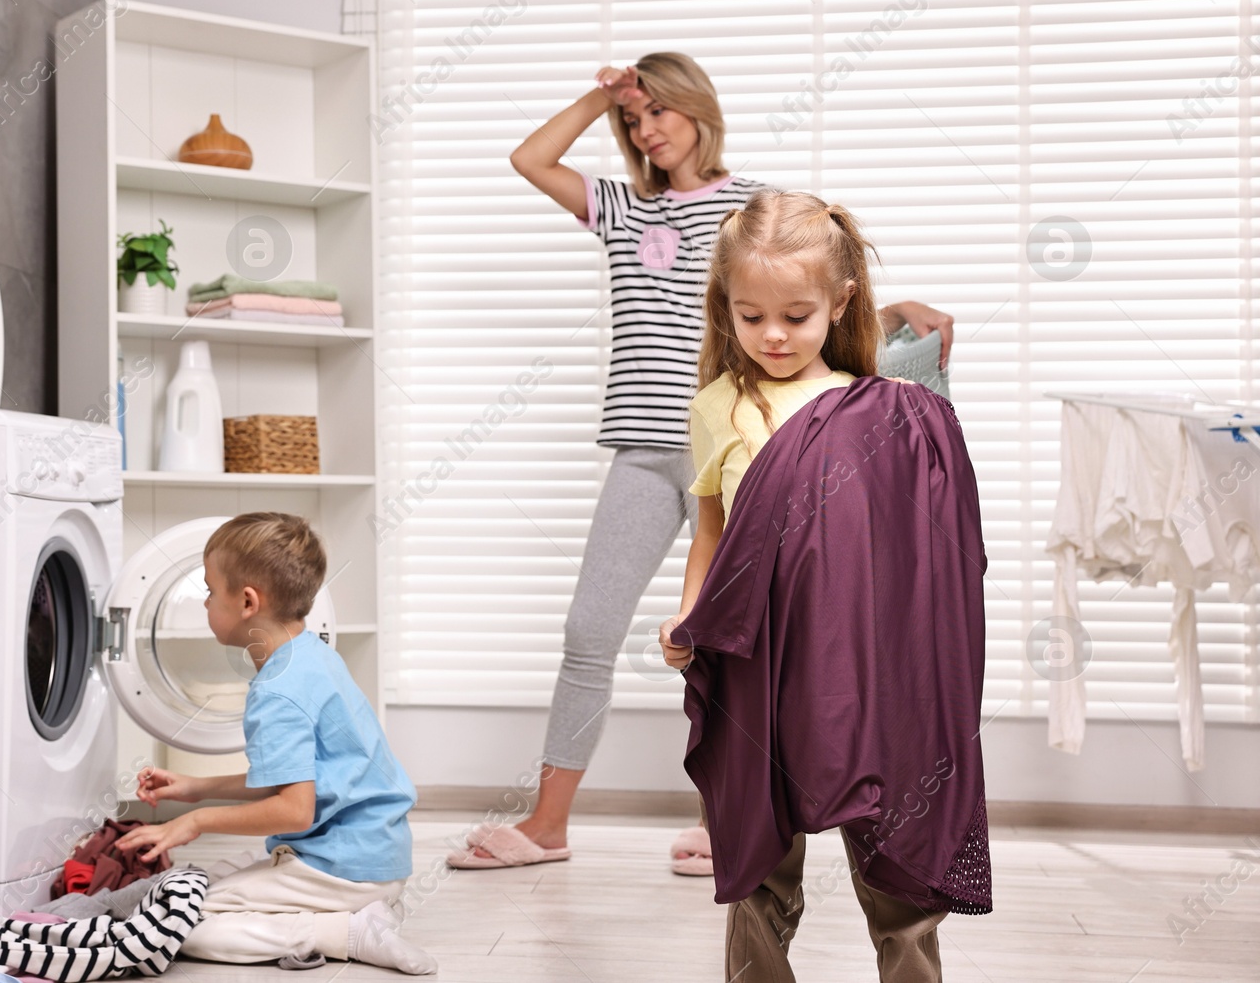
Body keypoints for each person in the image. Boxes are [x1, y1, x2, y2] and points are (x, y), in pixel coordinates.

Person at [447, 51, 955, 873]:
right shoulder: (620, 206)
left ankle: (733, 819)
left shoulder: (746, 206)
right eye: (635, 120)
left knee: (737, 640)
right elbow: (530, 160)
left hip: (741, 440)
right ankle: (547, 824)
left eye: (660, 112)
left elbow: (810, 276)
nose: (648, 130)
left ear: (696, 108)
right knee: (589, 631)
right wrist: (598, 95)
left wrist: (891, 309)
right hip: (647, 447)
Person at [660, 189, 975, 980]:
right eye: (751, 314)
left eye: (796, 316)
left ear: (837, 304)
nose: (773, 335)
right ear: (724, 306)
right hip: (756, 661)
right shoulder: (716, 407)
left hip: (865, 670)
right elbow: (711, 533)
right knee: (758, 856)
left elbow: (919, 549)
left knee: (896, 848)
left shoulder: (880, 409)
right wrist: (687, 614)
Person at [117, 512, 436, 975]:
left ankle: (346, 932)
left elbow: (293, 810)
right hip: (374, 854)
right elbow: (294, 779)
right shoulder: (312, 657)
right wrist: (194, 787)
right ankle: (361, 913)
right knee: (203, 885)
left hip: (341, 868)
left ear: (247, 602)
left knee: (177, 921)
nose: (206, 602)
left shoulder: (275, 693)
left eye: (209, 590)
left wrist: (197, 820)